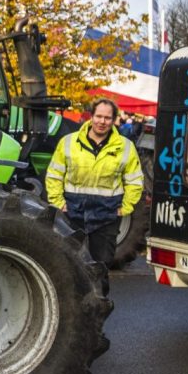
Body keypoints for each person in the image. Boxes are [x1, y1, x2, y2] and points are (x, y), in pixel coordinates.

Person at [46, 98, 145, 266]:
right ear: (91, 117)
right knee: (69, 264)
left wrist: (126, 207)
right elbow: (55, 175)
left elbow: (134, 181)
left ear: (113, 120)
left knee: (101, 267)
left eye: (107, 118)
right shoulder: (69, 142)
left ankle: (100, 293)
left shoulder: (125, 147)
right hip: (72, 213)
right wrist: (58, 202)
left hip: (106, 216)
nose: (102, 122)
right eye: (99, 116)